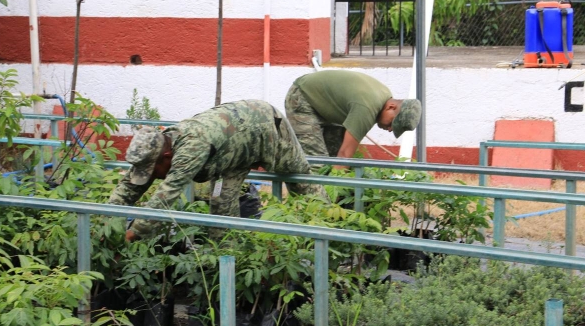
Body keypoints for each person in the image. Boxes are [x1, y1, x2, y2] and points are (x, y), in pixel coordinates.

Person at [109, 99, 327, 242]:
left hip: (266, 125)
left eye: (154, 171)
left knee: (301, 180)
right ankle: (226, 259)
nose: (153, 177)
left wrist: (132, 234)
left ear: (167, 157)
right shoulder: (160, 145)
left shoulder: (191, 148)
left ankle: (331, 231)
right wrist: (109, 222)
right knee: (221, 203)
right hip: (231, 154)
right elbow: (130, 185)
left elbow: (165, 195)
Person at [284, 70, 422, 169]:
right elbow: (344, 155)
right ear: (391, 107)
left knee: (333, 156)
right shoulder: (367, 109)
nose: (390, 129)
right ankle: (309, 207)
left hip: (322, 105)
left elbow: (342, 156)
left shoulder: (385, 96)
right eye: (392, 123)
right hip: (303, 98)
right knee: (317, 162)